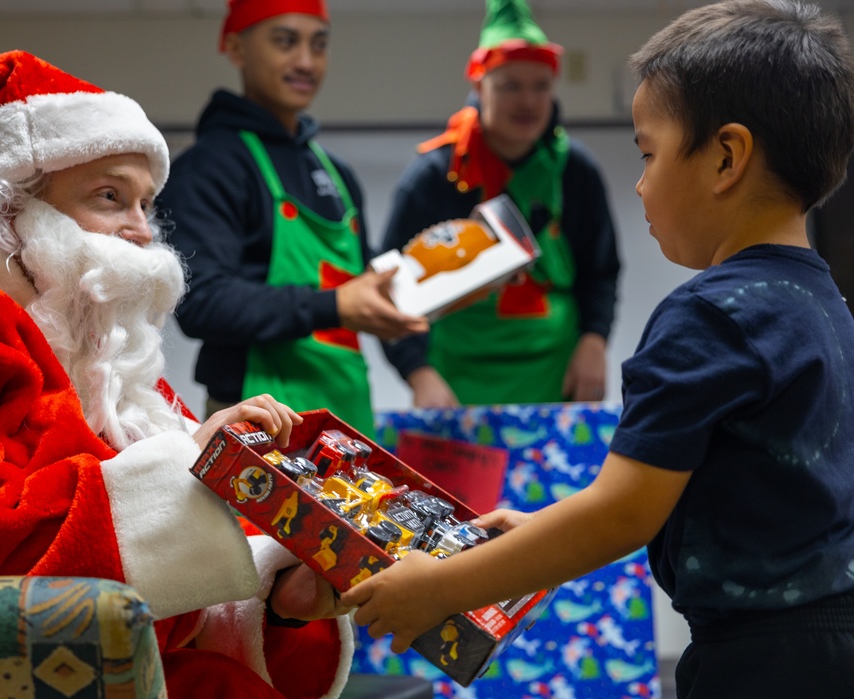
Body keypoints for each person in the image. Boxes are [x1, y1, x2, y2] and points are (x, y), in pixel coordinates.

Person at [342, 2, 854, 696]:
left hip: (760, 659)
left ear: (726, 157)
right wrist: (546, 528)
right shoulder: (823, 301)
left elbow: (621, 511)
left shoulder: (708, 317)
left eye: (647, 154)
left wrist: (441, 585)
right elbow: (734, 486)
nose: (639, 182)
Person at [0, 50, 355, 699]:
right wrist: (193, 469)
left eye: (147, 204)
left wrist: (276, 596)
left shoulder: (111, 363)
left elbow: (165, 595)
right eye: (110, 196)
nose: (142, 232)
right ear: (11, 207)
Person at [155, 0, 428, 435]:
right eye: (286, 42)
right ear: (236, 48)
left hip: (348, 418)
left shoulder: (337, 173)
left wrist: (450, 284)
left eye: (319, 45)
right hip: (257, 423)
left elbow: (366, 278)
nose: (306, 61)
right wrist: (335, 304)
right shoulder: (209, 166)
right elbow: (201, 301)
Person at [380, 0, 620, 408]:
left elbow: (601, 271)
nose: (528, 101)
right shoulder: (434, 174)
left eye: (540, 86)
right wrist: (417, 373)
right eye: (511, 86)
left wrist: (594, 342)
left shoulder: (575, 170)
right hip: (456, 380)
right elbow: (387, 287)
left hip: (555, 375)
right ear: (479, 86)